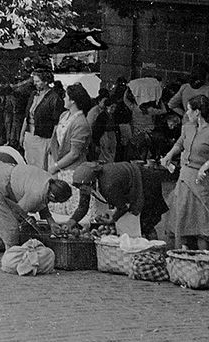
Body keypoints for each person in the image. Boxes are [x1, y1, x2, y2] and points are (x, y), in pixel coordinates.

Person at [63, 161, 168, 240]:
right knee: (132, 225)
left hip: (146, 182)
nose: (81, 190)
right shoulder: (84, 184)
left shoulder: (108, 184)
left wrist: (113, 219)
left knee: (146, 222)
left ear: (91, 182)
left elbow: (123, 207)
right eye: (79, 187)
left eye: (83, 187)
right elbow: (83, 207)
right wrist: (69, 223)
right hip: (131, 182)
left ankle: (153, 249)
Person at [0, 162, 71, 249]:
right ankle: (11, 258)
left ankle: (12, 253)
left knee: (12, 225)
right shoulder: (37, 193)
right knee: (11, 228)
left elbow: (42, 202)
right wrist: (27, 220)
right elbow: (17, 211)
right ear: (52, 196)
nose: (53, 203)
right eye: (56, 201)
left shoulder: (48, 181)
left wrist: (52, 223)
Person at [160, 94, 209, 250]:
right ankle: (180, 253)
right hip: (184, 177)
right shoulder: (187, 126)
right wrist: (169, 154)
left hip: (201, 181)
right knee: (180, 215)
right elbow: (180, 142)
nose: (186, 113)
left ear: (198, 112)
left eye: (189, 110)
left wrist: (205, 166)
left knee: (201, 220)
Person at [46, 83, 93, 217]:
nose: (64, 98)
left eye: (66, 96)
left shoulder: (81, 123)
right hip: (61, 167)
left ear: (73, 100)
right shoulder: (64, 115)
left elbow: (74, 153)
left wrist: (55, 166)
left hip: (73, 170)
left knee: (72, 208)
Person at [20, 70, 64, 169]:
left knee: (41, 166)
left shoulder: (54, 98)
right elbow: (27, 116)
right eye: (35, 81)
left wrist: (52, 142)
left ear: (46, 81)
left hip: (43, 138)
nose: (35, 84)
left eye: (38, 81)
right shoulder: (33, 95)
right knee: (29, 164)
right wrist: (22, 134)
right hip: (30, 135)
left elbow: (56, 123)